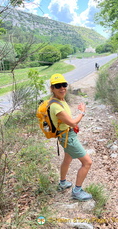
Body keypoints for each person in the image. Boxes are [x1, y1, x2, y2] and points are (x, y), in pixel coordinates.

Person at [49, 73, 92, 201]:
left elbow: (67, 122)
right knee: (87, 163)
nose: (62, 88)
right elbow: (73, 122)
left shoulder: (59, 100)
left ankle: (62, 183)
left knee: (67, 159)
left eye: (64, 85)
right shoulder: (56, 106)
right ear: (52, 88)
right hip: (68, 137)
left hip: (67, 135)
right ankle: (77, 192)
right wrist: (82, 112)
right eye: (58, 86)